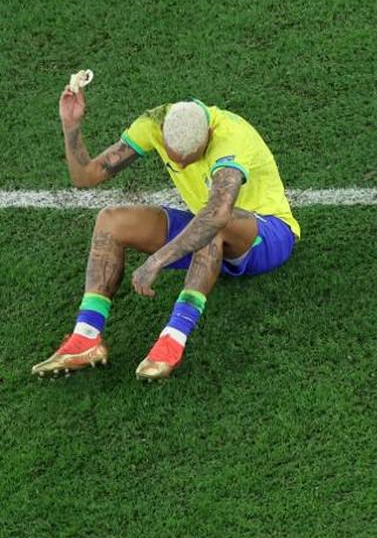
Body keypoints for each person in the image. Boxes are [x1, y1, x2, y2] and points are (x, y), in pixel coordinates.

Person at [32, 85, 300, 380]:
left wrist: (157, 260)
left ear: (208, 137)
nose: (182, 165)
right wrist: (71, 126)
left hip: (267, 235)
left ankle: (172, 341)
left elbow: (218, 214)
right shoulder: (155, 123)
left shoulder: (231, 138)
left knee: (213, 223)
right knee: (111, 221)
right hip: (209, 233)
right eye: (175, 160)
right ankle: (86, 336)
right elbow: (86, 176)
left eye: (190, 159)